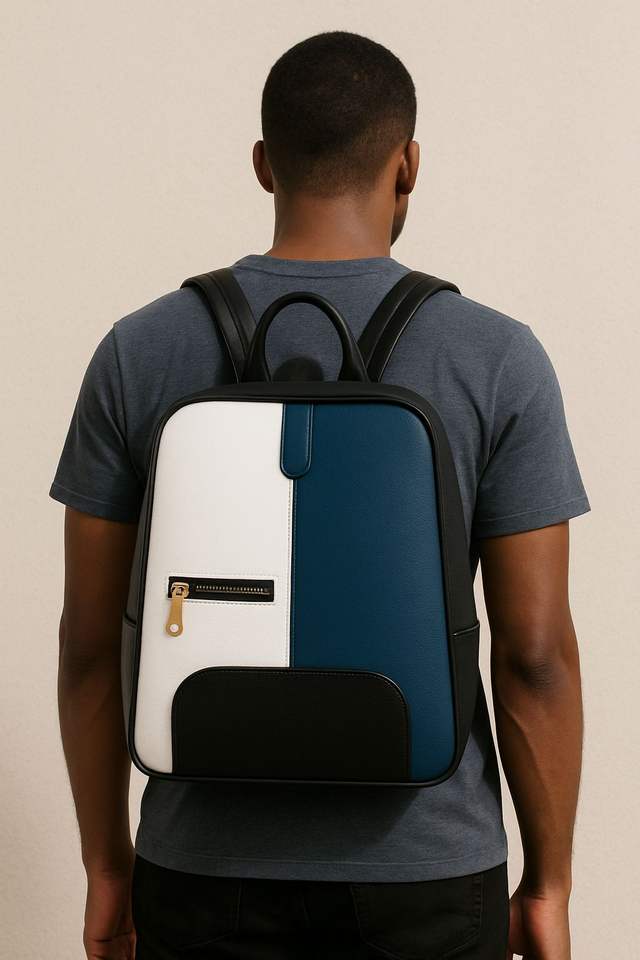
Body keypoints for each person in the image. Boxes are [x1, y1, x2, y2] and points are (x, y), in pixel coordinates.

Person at [52, 31, 589, 960]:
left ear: (265, 164)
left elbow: (91, 647)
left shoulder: (139, 351)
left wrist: (108, 867)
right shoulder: (497, 357)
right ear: (408, 164)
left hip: (200, 874)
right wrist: (548, 885)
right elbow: (536, 655)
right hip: (428, 878)